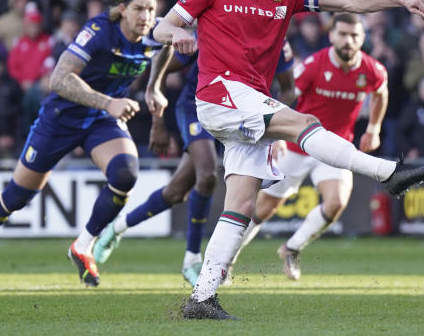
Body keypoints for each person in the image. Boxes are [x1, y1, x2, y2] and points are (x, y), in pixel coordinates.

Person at [152, 0, 424, 320]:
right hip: (220, 94)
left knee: (242, 204)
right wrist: (176, 35)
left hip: (247, 104)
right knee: (302, 120)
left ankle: (202, 298)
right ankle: (386, 171)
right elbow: (162, 24)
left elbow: (349, 1)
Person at [0, 0, 160, 293]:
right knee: (16, 197)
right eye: (139, 8)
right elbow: (58, 79)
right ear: (122, 9)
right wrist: (109, 102)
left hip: (99, 121)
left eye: (151, 9)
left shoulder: (157, 32)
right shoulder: (99, 31)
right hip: (61, 119)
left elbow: (174, 47)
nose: (146, 16)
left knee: (125, 173)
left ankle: (83, 246)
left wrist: (156, 87)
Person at [91, 40, 295, 286]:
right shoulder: (218, 26)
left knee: (176, 191)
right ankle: (192, 259)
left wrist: (275, 130)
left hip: (243, 117)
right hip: (197, 108)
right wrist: (158, 122)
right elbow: (162, 65)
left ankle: (116, 228)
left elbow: (289, 89)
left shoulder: (277, 40)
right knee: (207, 175)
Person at [230, 13, 389, 281]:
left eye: (354, 36)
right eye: (342, 34)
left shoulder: (373, 70)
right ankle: (227, 260)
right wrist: (277, 133)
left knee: (336, 202)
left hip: (335, 149)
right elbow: (288, 96)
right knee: (263, 209)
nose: (348, 40)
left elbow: (381, 93)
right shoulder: (315, 65)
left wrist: (374, 128)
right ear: (332, 36)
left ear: (363, 38)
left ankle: (292, 248)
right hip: (296, 145)